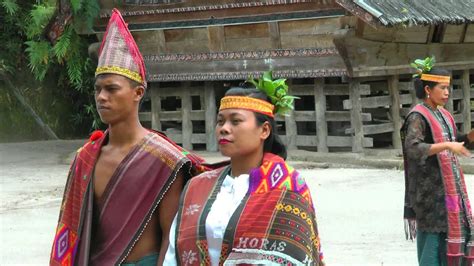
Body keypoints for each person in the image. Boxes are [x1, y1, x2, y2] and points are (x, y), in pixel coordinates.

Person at [49, 9, 207, 265]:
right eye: (97, 89)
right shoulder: (85, 158)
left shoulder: (166, 160)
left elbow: (171, 237)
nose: (101, 97)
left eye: (111, 89)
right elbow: (73, 231)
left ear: (138, 92)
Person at [164, 71, 324, 265]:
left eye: (236, 121)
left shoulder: (289, 186)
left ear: (264, 130)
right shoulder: (197, 187)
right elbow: (173, 253)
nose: (224, 128)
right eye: (220, 121)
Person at [402, 56, 474, 266]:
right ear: (427, 89)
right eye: (442, 88)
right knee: (433, 244)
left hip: (449, 191)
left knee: (452, 233)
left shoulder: (444, 114)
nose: (446, 93)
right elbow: (413, 148)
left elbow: (457, 142)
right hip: (429, 193)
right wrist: (447, 146)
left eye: (448, 88)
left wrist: (469, 137)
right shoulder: (417, 116)